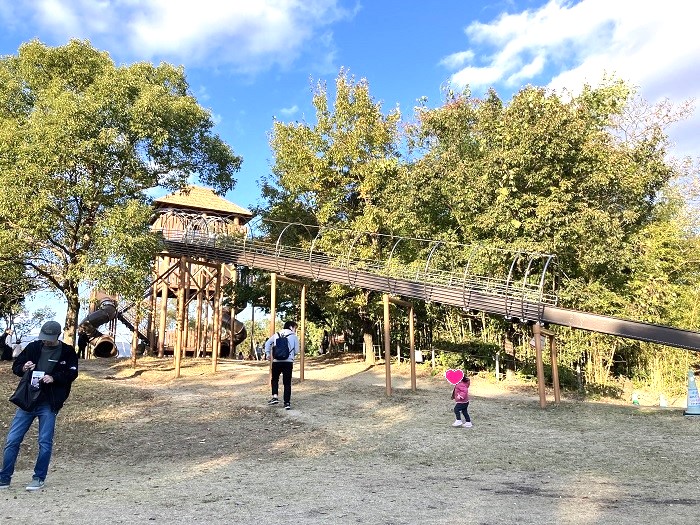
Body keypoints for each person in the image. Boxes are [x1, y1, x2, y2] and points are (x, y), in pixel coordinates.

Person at [0, 321, 79, 491]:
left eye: (49, 339)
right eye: (44, 338)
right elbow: (16, 367)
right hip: (28, 400)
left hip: (49, 403)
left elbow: (72, 373)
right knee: (12, 440)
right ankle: (4, 477)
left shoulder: (67, 352)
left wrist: (54, 378)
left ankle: (39, 477)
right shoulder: (33, 347)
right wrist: (24, 367)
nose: (46, 341)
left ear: (57, 336)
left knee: (44, 441)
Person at [264, 320, 299, 410]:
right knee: (287, 382)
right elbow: (297, 351)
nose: (295, 330)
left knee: (275, 379)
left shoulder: (277, 334)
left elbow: (268, 343)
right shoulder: (293, 336)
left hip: (276, 361)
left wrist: (268, 354)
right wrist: (291, 355)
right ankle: (287, 403)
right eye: (295, 328)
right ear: (291, 327)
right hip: (288, 362)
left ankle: (275, 397)